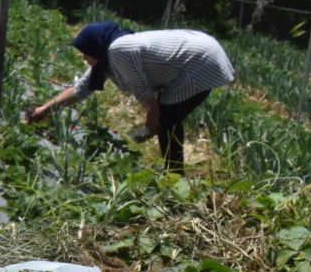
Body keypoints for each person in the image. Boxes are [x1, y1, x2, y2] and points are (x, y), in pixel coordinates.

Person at [28, 22, 235, 172]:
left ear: (95, 48)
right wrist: (44, 110)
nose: (84, 58)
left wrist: (152, 113)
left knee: (165, 120)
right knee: (166, 118)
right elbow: (82, 87)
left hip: (202, 61)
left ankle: (174, 176)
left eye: (85, 53)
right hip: (200, 54)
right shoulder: (108, 57)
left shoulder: (119, 50)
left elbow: (141, 88)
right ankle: (149, 150)